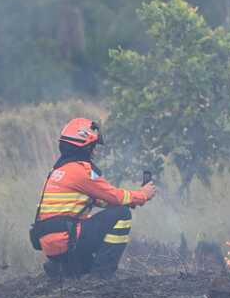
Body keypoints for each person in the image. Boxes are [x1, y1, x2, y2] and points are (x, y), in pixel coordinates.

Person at [30, 118, 157, 279]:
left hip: (52, 245)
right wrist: (142, 195)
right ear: (84, 147)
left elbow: (100, 200)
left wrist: (124, 201)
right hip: (67, 240)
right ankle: (102, 276)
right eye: (93, 146)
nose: (95, 152)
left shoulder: (58, 171)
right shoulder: (81, 172)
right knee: (122, 214)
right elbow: (116, 196)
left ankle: (64, 269)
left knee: (112, 213)